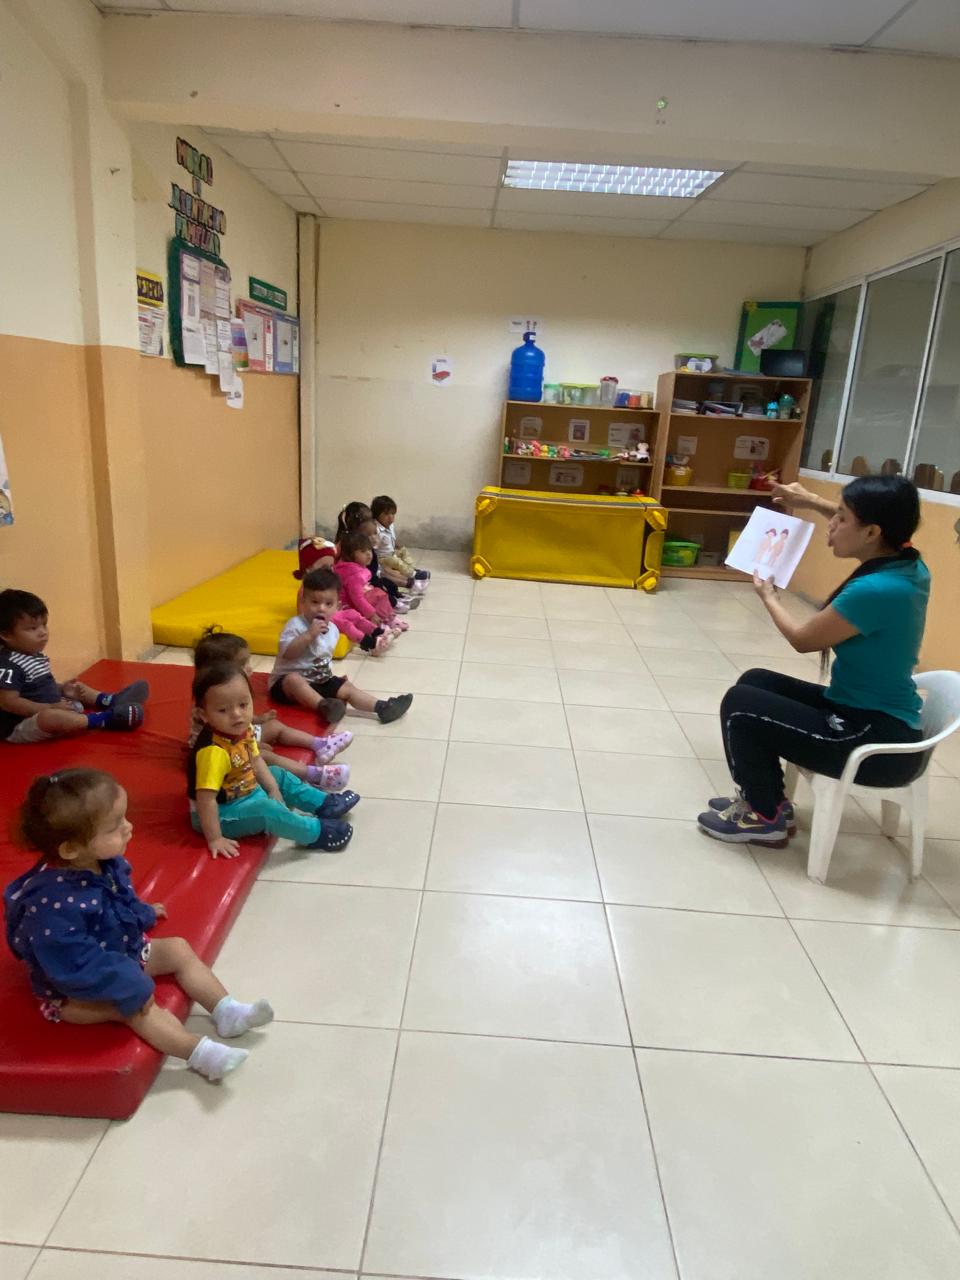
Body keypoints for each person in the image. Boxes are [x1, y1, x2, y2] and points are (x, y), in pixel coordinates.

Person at [699, 474, 930, 847]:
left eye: (841, 517)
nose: (832, 525)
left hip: (872, 740)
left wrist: (769, 595)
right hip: (861, 711)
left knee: (740, 705)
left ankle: (764, 818)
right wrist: (809, 501)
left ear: (872, 532)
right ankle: (770, 800)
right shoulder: (907, 562)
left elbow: (802, 640)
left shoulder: (877, 590)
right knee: (756, 681)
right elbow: (868, 520)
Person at [4, 769, 271, 1081]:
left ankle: (227, 1011)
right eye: (115, 826)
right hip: (72, 989)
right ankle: (200, 1054)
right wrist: (127, 982)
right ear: (71, 849)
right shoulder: (53, 907)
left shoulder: (101, 861)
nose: (128, 827)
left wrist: (140, 913)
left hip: (118, 949)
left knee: (178, 949)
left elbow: (119, 895)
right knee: (136, 1008)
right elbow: (75, 965)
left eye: (124, 818)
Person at [189, 662, 358, 857]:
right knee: (268, 811)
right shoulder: (213, 752)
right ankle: (315, 833)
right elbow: (206, 800)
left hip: (245, 791)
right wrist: (215, 838)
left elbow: (255, 759)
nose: (237, 715)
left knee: (277, 774)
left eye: (243, 705)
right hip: (221, 814)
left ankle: (323, 804)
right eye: (222, 710)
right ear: (203, 715)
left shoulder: (243, 729)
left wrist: (272, 788)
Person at [192, 628, 353, 790]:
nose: (250, 668)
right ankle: (313, 775)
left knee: (274, 726)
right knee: (265, 756)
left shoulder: (229, 693)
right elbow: (217, 739)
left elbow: (237, 717)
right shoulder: (209, 704)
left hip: (242, 736)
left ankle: (320, 744)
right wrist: (255, 745)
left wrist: (259, 720)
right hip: (226, 753)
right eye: (243, 664)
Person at [270, 566, 413, 725]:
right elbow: (289, 654)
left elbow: (323, 658)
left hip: (318, 680)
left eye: (328, 604)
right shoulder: (295, 625)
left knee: (347, 687)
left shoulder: (333, 630)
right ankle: (324, 707)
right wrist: (309, 635)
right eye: (314, 602)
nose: (321, 608)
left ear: (337, 607)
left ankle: (383, 707)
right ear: (303, 602)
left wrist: (331, 681)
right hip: (285, 686)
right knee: (293, 680)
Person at [0, 589, 148, 743]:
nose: (43, 632)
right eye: (33, 628)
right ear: (6, 635)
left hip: (54, 705)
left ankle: (108, 700)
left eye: (44, 625)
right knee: (50, 717)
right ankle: (104, 719)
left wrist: (62, 689)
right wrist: (50, 708)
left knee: (76, 687)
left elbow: (38, 686)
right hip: (24, 724)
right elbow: (9, 703)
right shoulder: (8, 665)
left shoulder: (31, 654)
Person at [333, 530, 406, 634]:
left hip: (348, 603)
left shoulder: (347, 567)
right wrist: (371, 614)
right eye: (363, 551)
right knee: (378, 595)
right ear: (349, 555)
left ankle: (386, 618)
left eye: (369, 549)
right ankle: (383, 620)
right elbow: (357, 598)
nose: (368, 554)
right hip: (348, 606)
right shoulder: (354, 574)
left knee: (375, 591)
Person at [371, 495, 430, 590]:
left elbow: (391, 538)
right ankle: (414, 574)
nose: (391, 518)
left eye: (393, 514)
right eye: (386, 514)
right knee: (396, 562)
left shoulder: (390, 525)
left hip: (391, 553)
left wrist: (397, 545)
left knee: (403, 551)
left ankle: (411, 569)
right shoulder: (375, 529)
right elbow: (373, 547)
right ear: (376, 515)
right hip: (382, 558)